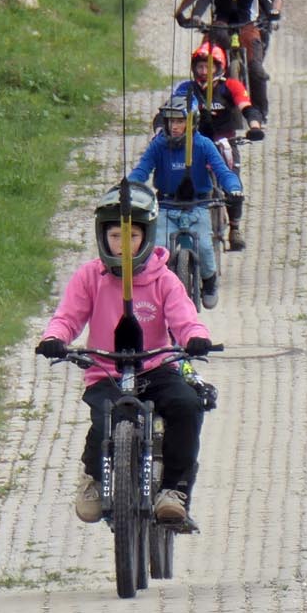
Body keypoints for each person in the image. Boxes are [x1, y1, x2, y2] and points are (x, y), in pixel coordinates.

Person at [35, 181, 214, 526]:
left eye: (131, 236)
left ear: (146, 237)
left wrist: (196, 338)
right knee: (106, 416)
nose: (123, 245)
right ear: (103, 237)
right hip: (106, 369)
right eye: (116, 236)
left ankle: (173, 490)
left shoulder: (164, 280)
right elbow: (67, 317)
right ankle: (94, 478)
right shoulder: (90, 277)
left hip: (155, 368)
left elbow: (185, 319)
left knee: (187, 406)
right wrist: (54, 338)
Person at [130, 96, 242, 309]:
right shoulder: (159, 145)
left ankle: (209, 283)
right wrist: (129, 187)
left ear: (192, 123)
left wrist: (234, 188)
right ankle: (155, 289)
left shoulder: (203, 144)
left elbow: (223, 172)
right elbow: (142, 170)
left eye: (180, 121)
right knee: (158, 251)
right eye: (170, 121)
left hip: (198, 205)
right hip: (166, 206)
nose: (174, 126)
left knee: (206, 249)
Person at [174, 0, 283, 122]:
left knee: (256, 70)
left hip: (248, 24)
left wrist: (275, 11)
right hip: (219, 23)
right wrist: (180, 12)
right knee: (205, 61)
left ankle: (260, 113)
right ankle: (204, 106)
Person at [172, 41, 261, 251]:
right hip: (194, 143)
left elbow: (247, 107)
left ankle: (235, 228)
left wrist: (255, 126)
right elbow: (169, 110)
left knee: (232, 184)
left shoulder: (230, 86)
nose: (204, 71)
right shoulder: (186, 89)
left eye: (208, 67)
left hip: (224, 142)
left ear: (219, 67)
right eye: (200, 66)